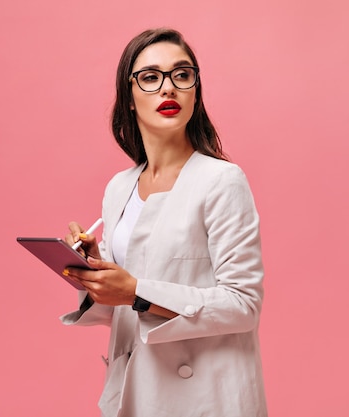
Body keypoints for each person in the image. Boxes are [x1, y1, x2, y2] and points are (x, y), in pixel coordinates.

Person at [60, 28, 267, 417]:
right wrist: (93, 271)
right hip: (139, 388)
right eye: (151, 77)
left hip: (206, 395)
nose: (168, 88)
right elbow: (121, 305)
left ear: (195, 91)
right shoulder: (119, 186)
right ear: (130, 96)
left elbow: (244, 304)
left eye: (182, 74)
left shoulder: (222, 180)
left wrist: (136, 291)